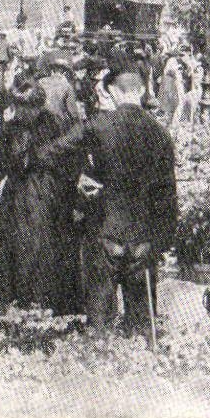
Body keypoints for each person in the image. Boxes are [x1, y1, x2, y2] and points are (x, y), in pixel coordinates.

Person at [42, 66, 178, 337]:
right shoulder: (161, 133)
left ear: (112, 91)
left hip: (105, 229)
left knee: (99, 317)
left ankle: (98, 363)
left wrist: (78, 179)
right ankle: (140, 365)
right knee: (142, 323)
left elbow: (51, 152)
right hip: (144, 235)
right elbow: (168, 194)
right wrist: (163, 240)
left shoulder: (99, 125)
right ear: (141, 91)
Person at [0, 78, 82, 317]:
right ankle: (11, 302)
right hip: (18, 193)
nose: (22, 113)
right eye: (18, 107)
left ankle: (41, 302)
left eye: (27, 108)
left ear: (38, 105)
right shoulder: (10, 128)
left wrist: (68, 192)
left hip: (46, 191)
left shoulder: (55, 125)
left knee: (43, 244)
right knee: (12, 243)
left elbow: (71, 161)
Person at [36, 51, 82, 130]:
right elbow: (71, 105)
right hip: (58, 115)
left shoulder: (42, 81)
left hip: (49, 114)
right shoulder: (64, 83)